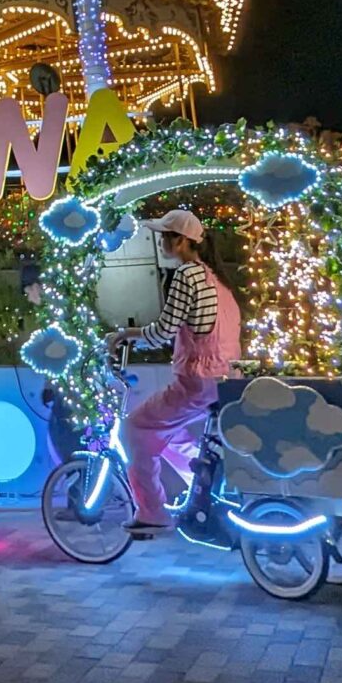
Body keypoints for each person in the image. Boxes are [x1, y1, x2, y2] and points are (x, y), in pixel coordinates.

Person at [113, 209, 243, 538]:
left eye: (164, 237)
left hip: (197, 380)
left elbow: (164, 331)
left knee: (134, 429)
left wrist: (125, 336)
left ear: (182, 241)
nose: (160, 243)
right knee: (165, 434)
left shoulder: (187, 275)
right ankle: (204, 491)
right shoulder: (217, 278)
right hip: (226, 381)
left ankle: (152, 513)